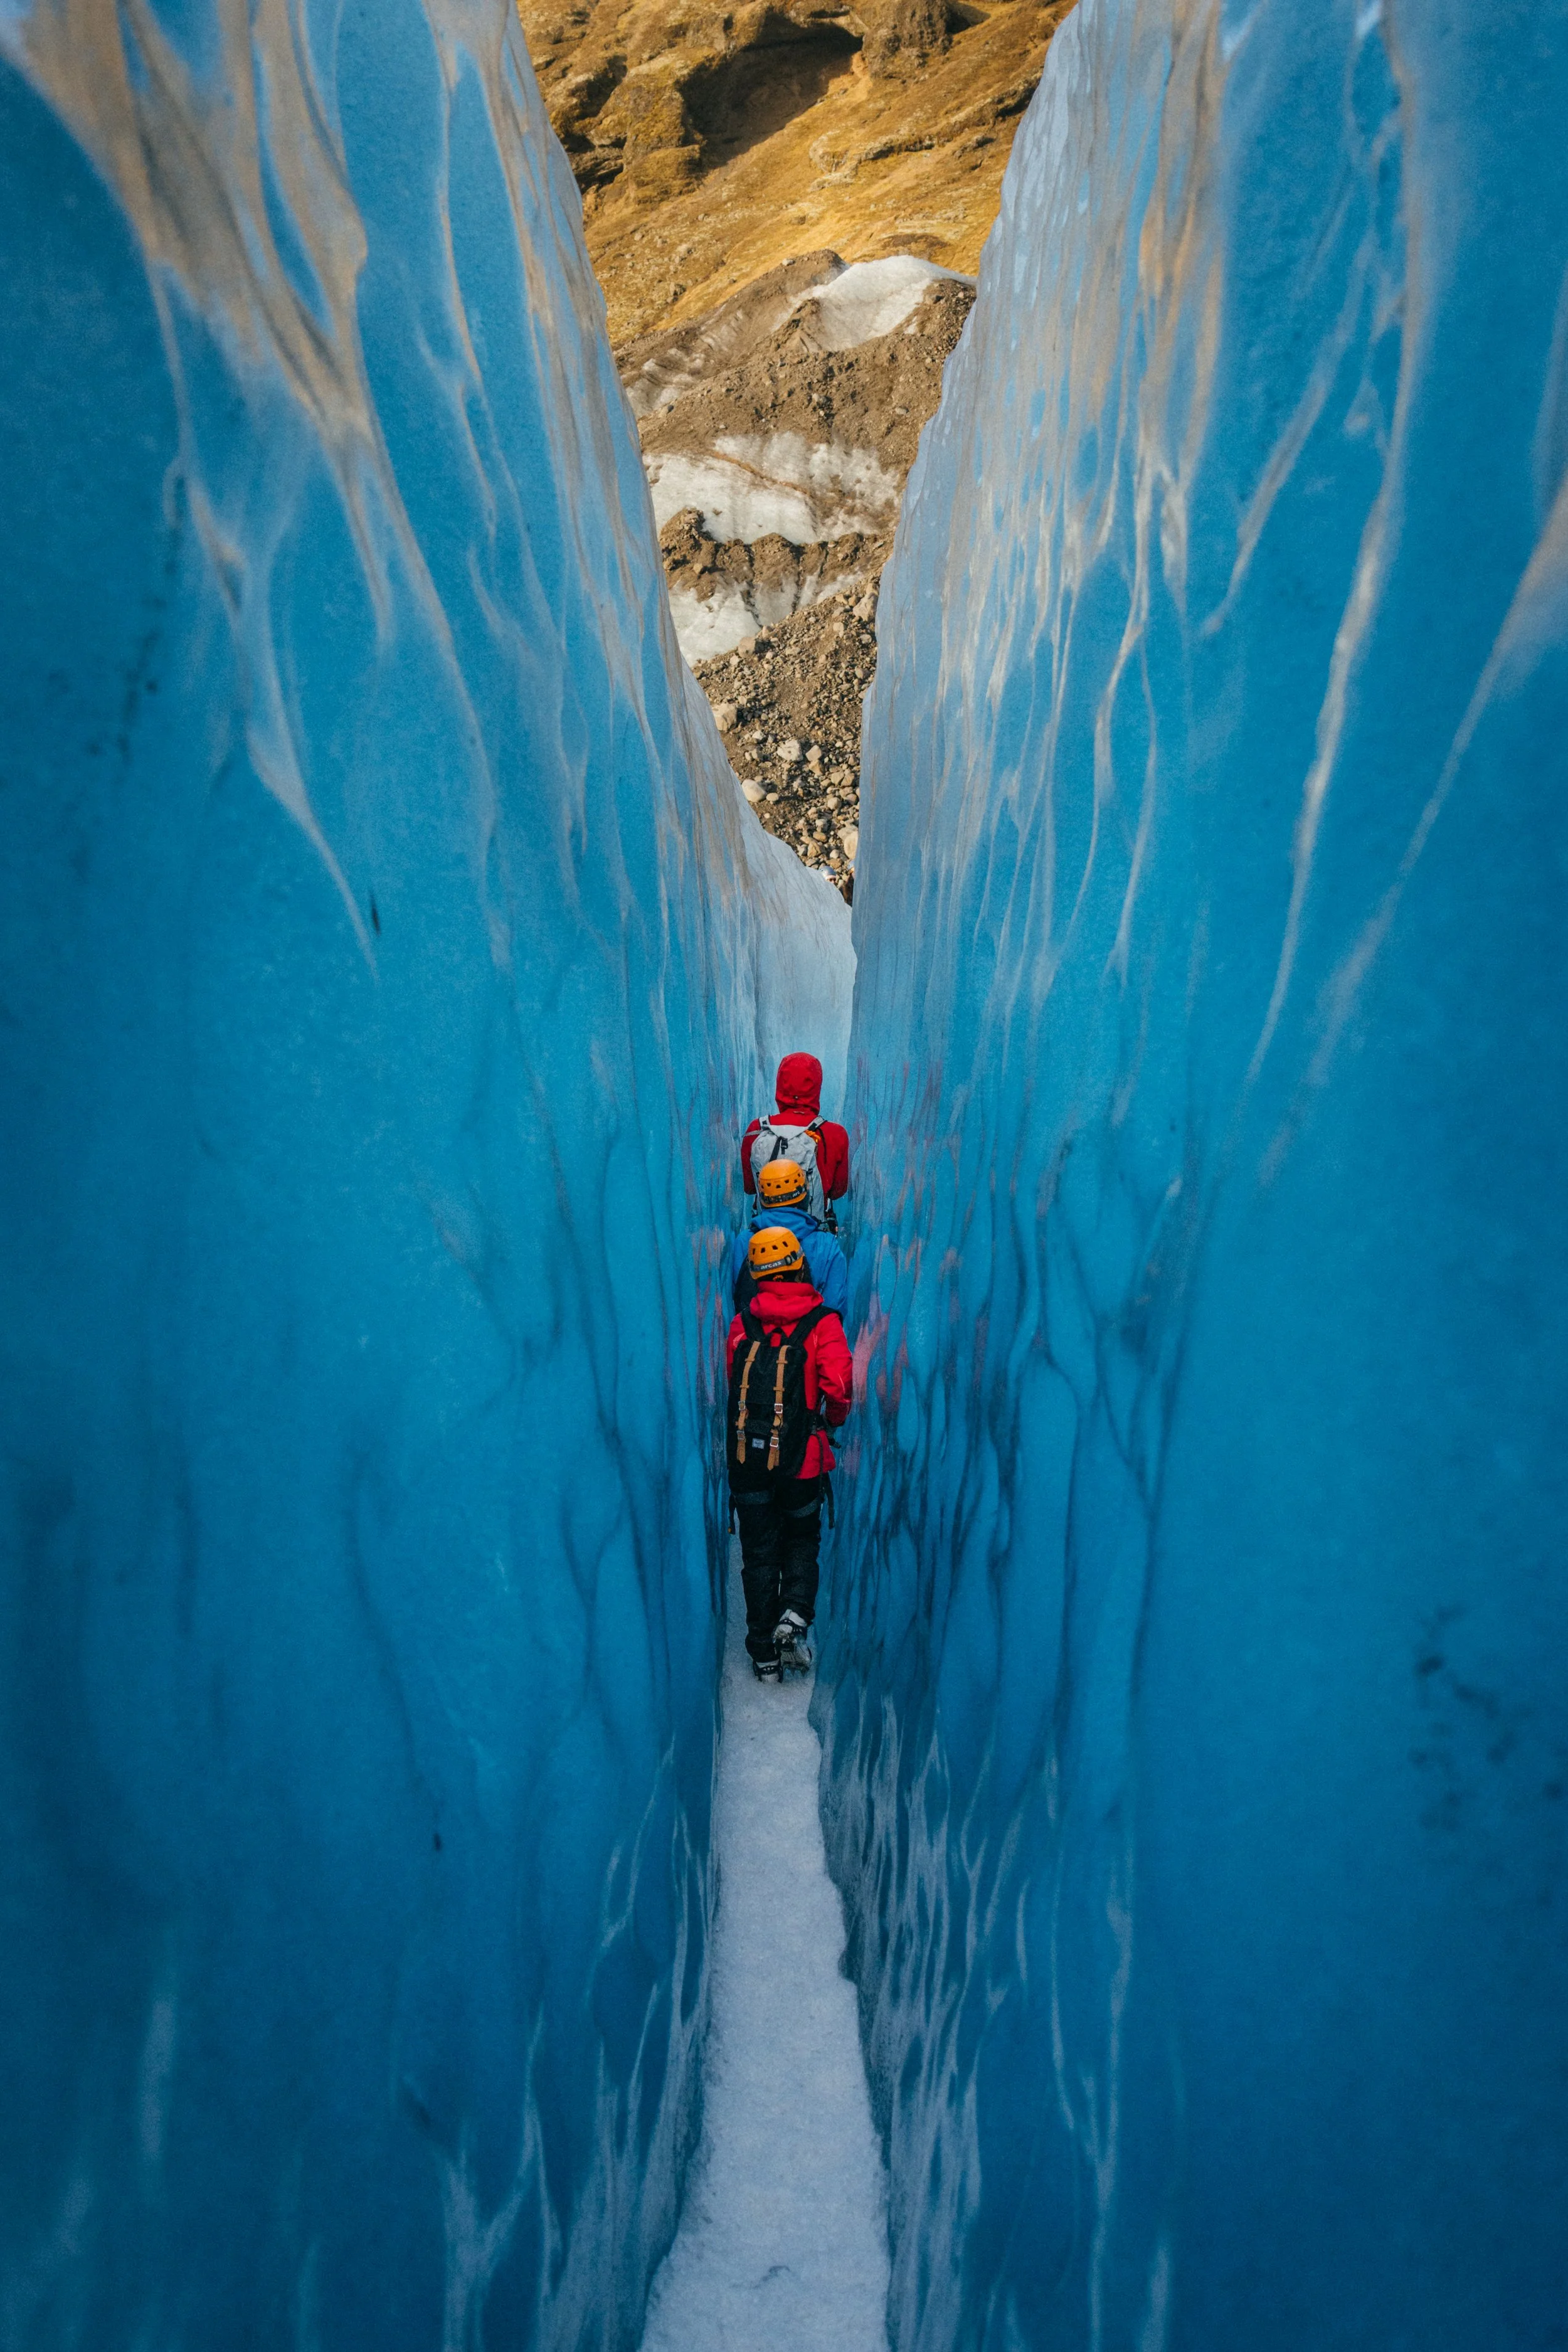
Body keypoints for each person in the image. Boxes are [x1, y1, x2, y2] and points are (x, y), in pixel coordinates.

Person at [726, 1226, 852, 1683]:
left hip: (748, 1461)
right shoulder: (823, 1324)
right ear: (800, 1265)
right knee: (801, 1537)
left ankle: (762, 1654)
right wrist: (829, 1421)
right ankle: (795, 1611)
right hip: (803, 1461)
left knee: (759, 1551)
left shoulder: (743, 1324)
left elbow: (731, 1382)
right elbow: (839, 1387)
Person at [727, 1158, 848, 1320]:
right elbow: (835, 1306)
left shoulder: (746, 1241)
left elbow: (739, 1298)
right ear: (805, 1197)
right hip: (811, 1341)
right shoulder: (826, 1245)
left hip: (755, 1342)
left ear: (763, 1200)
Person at [741, 1052, 850, 1230]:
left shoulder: (757, 1129)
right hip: (814, 1236)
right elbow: (838, 1192)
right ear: (817, 1087)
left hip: (765, 1240)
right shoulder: (835, 1134)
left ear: (780, 1084)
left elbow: (750, 1188)